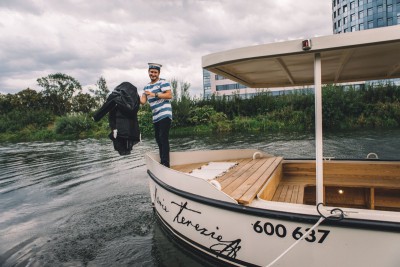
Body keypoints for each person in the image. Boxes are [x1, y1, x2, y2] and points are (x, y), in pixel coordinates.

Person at [140, 63, 173, 167]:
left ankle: (165, 163)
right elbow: (143, 101)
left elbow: (169, 95)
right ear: (148, 72)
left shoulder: (163, 82)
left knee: (163, 137)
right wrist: (132, 96)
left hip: (165, 113)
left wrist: (154, 94)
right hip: (156, 116)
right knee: (158, 138)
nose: (153, 74)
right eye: (151, 72)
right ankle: (162, 160)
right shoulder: (146, 87)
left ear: (158, 73)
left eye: (155, 72)